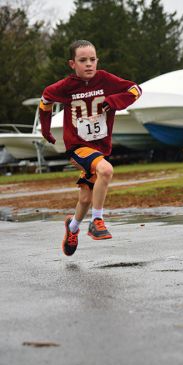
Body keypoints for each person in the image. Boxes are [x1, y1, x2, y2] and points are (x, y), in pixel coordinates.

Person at [39, 39, 141, 256]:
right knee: (106, 170)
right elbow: (45, 100)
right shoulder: (66, 87)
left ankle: (72, 228)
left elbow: (135, 90)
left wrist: (114, 101)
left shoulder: (105, 79)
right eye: (82, 60)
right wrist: (45, 129)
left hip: (99, 148)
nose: (88, 64)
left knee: (85, 198)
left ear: (97, 61)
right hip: (77, 146)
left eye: (92, 59)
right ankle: (97, 221)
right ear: (72, 64)